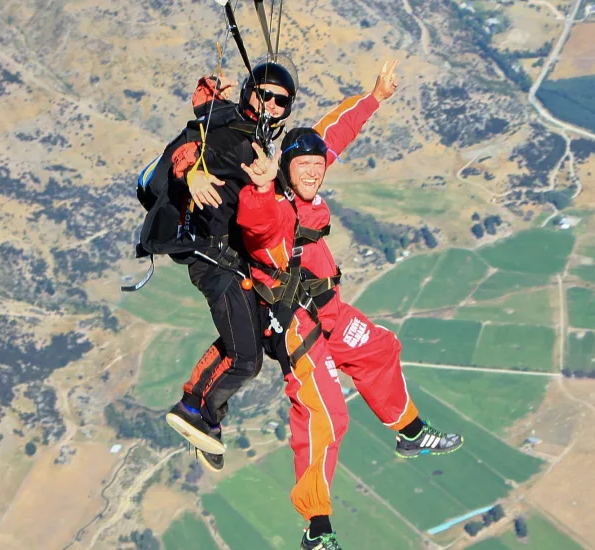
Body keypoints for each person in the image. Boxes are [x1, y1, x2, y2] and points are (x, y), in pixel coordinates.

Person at [235, 62, 464, 550]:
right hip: (297, 327)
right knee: (325, 416)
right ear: (285, 173)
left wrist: (375, 96)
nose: (316, 169)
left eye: (318, 165)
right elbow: (255, 227)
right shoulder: (274, 207)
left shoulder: (307, 176)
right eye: (304, 166)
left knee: (381, 349)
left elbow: (332, 135)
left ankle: (409, 431)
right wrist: (258, 187)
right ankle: (317, 528)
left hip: (329, 310)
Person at [162, 57, 303, 471]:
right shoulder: (229, 133)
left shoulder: (255, 140)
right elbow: (186, 152)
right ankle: (195, 410)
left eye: (282, 102)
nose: (273, 106)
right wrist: (191, 177)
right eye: (266, 96)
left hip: (230, 261)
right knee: (246, 359)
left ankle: (205, 414)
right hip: (214, 260)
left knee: (249, 342)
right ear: (249, 94)